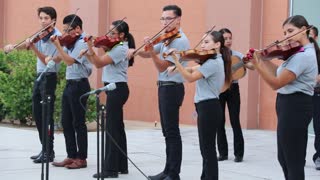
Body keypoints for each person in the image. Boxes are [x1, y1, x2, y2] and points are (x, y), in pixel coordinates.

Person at [247, 15, 320, 180]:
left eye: (290, 31)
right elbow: (277, 72)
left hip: (296, 105)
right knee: (284, 157)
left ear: (303, 30)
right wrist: (260, 60)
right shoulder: (295, 53)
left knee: (293, 160)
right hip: (286, 104)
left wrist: (258, 64)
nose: (286, 36)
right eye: (285, 32)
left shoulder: (304, 55)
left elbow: (276, 83)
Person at [130, 4, 190, 180]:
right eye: (162, 18)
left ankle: (174, 173)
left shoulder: (179, 40)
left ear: (178, 19)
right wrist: (142, 48)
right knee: (166, 131)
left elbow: (162, 67)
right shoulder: (166, 38)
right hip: (164, 87)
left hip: (172, 88)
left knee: (172, 131)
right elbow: (148, 53)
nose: (164, 22)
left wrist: (152, 54)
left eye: (168, 18)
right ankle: (167, 170)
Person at [168, 30, 232, 180]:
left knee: (208, 150)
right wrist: (178, 67)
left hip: (209, 107)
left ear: (217, 44)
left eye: (206, 42)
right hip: (206, 107)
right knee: (206, 149)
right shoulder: (212, 61)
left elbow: (190, 78)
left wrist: (177, 61)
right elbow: (191, 69)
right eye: (202, 41)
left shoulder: (213, 62)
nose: (202, 45)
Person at [3, 6, 61, 163]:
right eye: (41, 18)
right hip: (40, 77)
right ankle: (45, 149)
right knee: (38, 113)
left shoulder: (57, 37)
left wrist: (33, 46)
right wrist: (13, 47)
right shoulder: (40, 34)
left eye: (46, 18)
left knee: (46, 115)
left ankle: (49, 152)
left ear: (53, 20)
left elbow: (45, 60)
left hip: (49, 77)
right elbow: (28, 44)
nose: (43, 21)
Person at [81, 20, 135, 178]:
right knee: (117, 127)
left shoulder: (120, 49)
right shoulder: (116, 47)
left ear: (122, 35)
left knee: (111, 129)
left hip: (117, 89)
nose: (109, 35)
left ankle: (110, 169)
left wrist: (90, 47)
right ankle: (121, 166)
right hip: (116, 89)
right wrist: (91, 48)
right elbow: (96, 60)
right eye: (109, 32)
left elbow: (98, 64)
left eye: (112, 33)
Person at [49, 14, 92, 169]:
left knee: (78, 122)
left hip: (80, 85)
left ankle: (82, 158)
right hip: (69, 84)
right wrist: (51, 57)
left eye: (68, 30)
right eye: (64, 30)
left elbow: (68, 61)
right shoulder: (70, 41)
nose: (65, 34)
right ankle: (71, 155)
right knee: (66, 121)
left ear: (78, 29)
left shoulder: (83, 41)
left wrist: (58, 46)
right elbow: (61, 58)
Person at [216, 28, 254, 163]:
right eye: (225, 38)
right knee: (219, 122)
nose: (228, 41)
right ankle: (223, 153)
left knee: (235, 121)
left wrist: (247, 61)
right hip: (219, 90)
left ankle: (239, 154)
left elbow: (251, 67)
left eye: (230, 38)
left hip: (233, 89)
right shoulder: (216, 56)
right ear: (220, 40)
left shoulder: (237, 55)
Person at [309, 25, 320, 170]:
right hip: (301, 95)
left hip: (316, 94)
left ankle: (318, 156)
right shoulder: (298, 54)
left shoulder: (318, 54)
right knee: (299, 127)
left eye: (310, 35)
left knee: (318, 127)